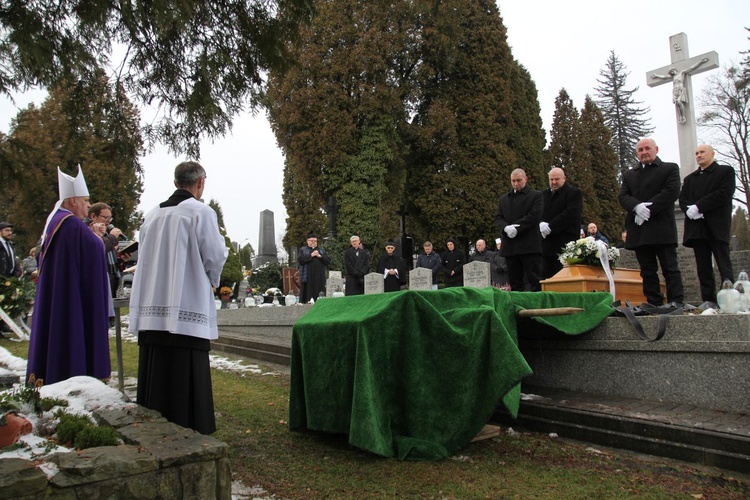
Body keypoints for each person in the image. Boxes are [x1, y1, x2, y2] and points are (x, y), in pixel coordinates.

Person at [129, 161, 228, 434]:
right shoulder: (201, 212)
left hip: (151, 305)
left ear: (175, 183)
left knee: (156, 367)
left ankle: (153, 420)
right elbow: (215, 255)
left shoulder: (152, 215)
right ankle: (190, 422)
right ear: (200, 183)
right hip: (186, 301)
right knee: (185, 371)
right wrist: (212, 279)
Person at [26, 166, 111, 385]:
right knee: (70, 332)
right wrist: (97, 238)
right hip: (70, 296)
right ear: (72, 200)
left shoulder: (56, 220)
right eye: (85, 201)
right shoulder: (71, 223)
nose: (88, 206)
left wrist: (90, 235)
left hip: (59, 292)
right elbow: (93, 249)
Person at [619, 138, 684, 306]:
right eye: (640, 150)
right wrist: (636, 207)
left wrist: (648, 209)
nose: (644, 152)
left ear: (656, 149)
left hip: (662, 227)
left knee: (670, 268)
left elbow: (671, 192)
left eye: (647, 148)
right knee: (647, 270)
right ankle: (653, 301)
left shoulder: (669, 168)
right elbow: (623, 196)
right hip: (640, 229)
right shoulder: (629, 175)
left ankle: (676, 301)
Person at [679, 144, 736, 304]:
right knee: (703, 268)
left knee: (723, 263)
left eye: (702, 152)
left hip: (716, 226)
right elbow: (683, 198)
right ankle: (708, 300)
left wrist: (699, 206)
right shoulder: (690, 179)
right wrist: (688, 209)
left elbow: (724, 193)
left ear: (712, 153)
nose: (699, 155)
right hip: (697, 229)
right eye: (696, 153)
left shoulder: (725, 172)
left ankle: (729, 298)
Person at [495, 168, 544, 291]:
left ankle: (537, 306)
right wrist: (505, 227)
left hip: (529, 245)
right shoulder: (504, 199)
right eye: (513, 181)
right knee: (514, 281)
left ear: (525, 179)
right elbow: (498, 217)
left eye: (519, 180)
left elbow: (534, 215)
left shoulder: (536, 196)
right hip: (511, 246)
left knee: (534, 280)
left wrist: (517, 227)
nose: (516, 184)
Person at [540, 167, 583, 280]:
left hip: (565, 245)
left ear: (564, 178)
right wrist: (540, 223)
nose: (554, 182)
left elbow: (571, 214)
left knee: (564, 279)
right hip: (546, 246)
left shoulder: (573, 193)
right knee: (545, 279)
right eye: (551, 179)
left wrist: (551, 227)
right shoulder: (544, 195)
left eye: (557, 179)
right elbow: (536, 212)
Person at [88, 203, 132, 298]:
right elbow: (98, 249)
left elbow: (109, 261)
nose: (108, 222)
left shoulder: (108, 235)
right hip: (98, 279)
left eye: (110, 218)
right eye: (105, 218)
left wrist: (122, 260)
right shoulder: (88, 232)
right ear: (93, 216)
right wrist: (112, 237)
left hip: (112, 278)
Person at [651, 57, 709, 124]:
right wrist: (656, 75)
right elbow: (664, 77)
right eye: (671, 72)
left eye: (672, 71)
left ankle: (683, 116)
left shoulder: (681, 73)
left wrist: (700, 62)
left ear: (675, 70)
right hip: (675, 91)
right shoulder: (673, 77)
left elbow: (691, 68)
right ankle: (680, 117)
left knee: (678, 101)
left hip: (681, 90)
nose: (672, 73)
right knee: (677, 103)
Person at [298, 232, 331, 303]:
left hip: (319, 276)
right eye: (311, 241)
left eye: (315, 241)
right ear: (307, 241)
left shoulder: (321, 250)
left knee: (319, 292)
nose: (313, 242)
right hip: (308, 276)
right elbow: (301, 260)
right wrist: (311, 255)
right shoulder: (303, 250)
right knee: (308, 293)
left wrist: (320, 256)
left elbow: (327, 261)